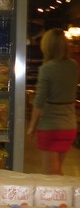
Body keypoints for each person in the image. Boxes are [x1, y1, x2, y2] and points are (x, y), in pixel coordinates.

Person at [26, 27, 78, 175]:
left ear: (47, 46)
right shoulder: (73, 65)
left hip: (50, 126)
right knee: (57, 171)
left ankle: (64, 191)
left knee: (51, 174)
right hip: (69, 125)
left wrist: (32, 126)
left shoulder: (47, 68)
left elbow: (39, 101)